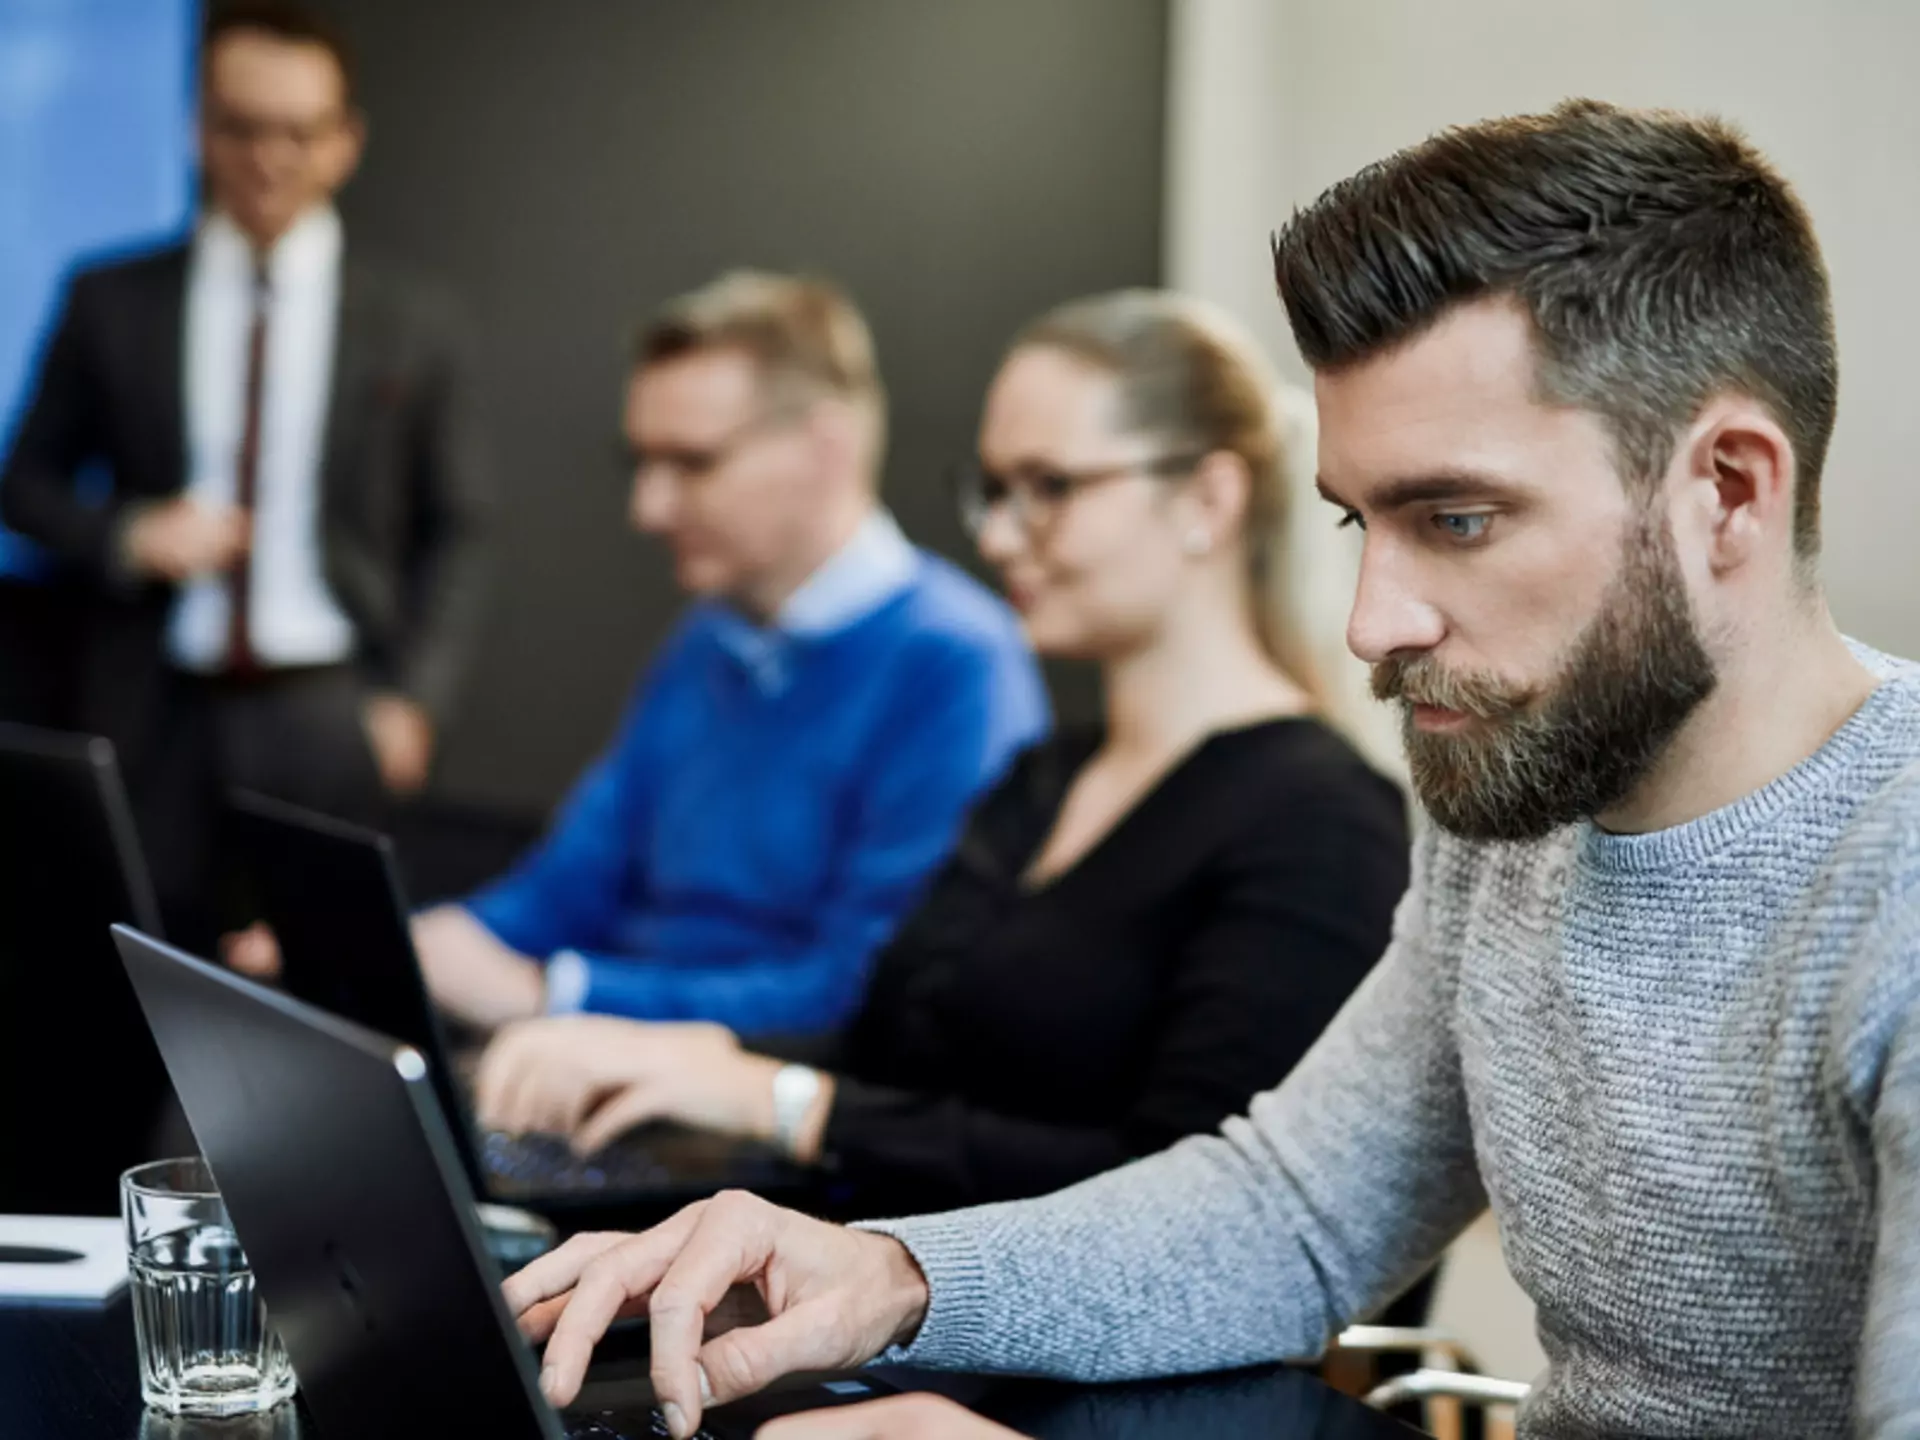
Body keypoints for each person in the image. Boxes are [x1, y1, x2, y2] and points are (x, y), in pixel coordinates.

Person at [497, 101, 1920, 1440]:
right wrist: (889, 1275)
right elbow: (1294, 1213)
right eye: (1364, 524)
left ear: (1727, 489)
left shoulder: (1894, 886)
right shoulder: (1522, 808)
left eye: (1460, 521)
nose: (1375, 624)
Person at [466, 291, 1408, 1217]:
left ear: (1208, 498)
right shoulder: (1043, 782)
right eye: (994, 491)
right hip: (897, 1284)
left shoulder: (1318, 821)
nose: (999, 537)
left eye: (1049, 489)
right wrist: (696, 1059)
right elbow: (892, 1056)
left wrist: (777, 1100)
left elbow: (1195, 1213)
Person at [345, 270, 1048, 1035]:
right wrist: (408, 945)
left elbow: (865, 992)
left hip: (750, 1111)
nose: (648, 508)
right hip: (600, 1072)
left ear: (825, 449)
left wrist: (558, 997)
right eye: (643, 464)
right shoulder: (708, 637)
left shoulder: (957, 667)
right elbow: (569, 884)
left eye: (693, 463)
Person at [1, 0, 490, 948]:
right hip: (150, 703)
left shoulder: (413, 322)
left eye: (300, 133)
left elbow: (462, 527)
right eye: (243, 128)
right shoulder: (111, 298)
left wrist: (413, 701)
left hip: (323, 705)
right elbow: (23, 483)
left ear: (345, 141)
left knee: (319, 977)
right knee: (127, 972)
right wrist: (129, 535)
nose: (270, 158)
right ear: (199, 129)